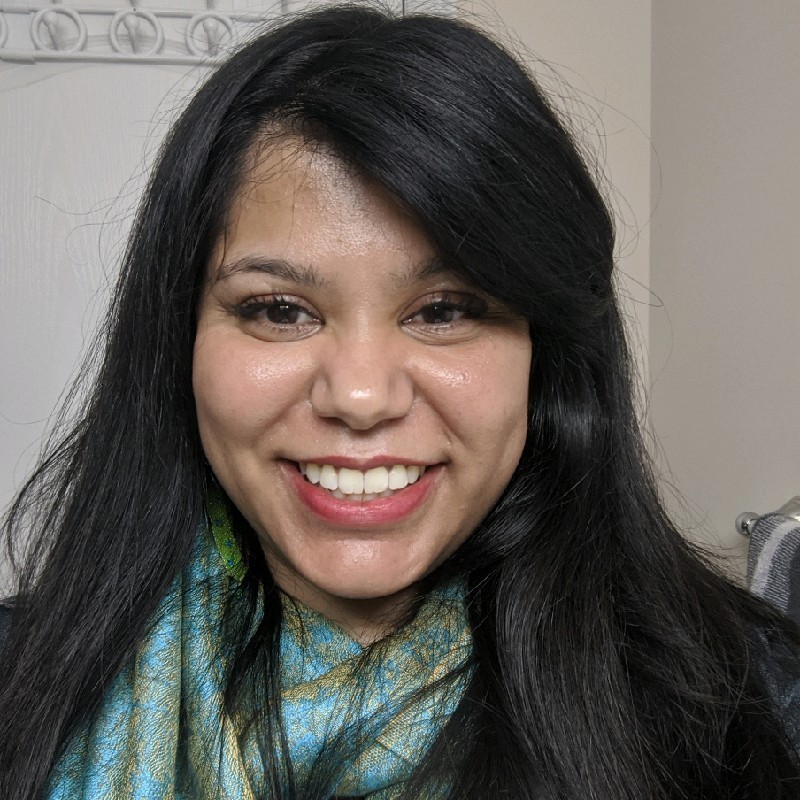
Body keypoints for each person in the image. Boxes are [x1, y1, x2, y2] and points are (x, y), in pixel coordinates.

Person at [1, 5, 798, 799]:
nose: (359, 396)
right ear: (178, 342)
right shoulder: (18, 683)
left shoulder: (752, 703)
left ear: (546, 352)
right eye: (279, 310)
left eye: (444, 310)